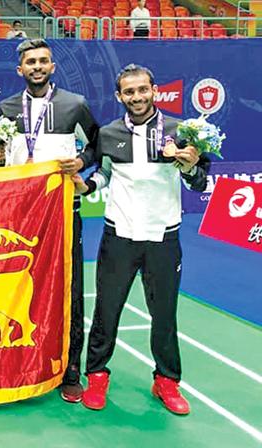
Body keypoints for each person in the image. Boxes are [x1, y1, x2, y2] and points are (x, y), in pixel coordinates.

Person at [76, 64, 208, 415]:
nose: (136, 97)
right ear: (120, 96)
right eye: (129, 92)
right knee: (106, 312)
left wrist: (190, 165)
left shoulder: (182, 131)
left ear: (154, 90)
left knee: (164, 315)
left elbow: (199, 183)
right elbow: (104, 175)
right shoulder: (108, 133)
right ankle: (98, 377)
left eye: (142, 90)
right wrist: (86, 186)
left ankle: (166, 381)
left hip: (163, 238)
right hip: (119, 235)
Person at [0, 38, 100, 404]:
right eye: (30, 62)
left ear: (52, 67)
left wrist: (81, 163)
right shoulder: (5, 109)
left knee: (69, 288)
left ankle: (70, 370)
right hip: (17, 215)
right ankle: (16, 362)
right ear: (19, 70)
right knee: (12, 288)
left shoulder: (74, 105)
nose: (37, 67)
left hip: (63, 211)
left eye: (43, 61)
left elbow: (98, 144)